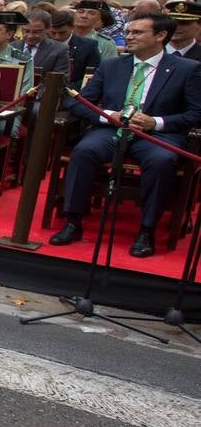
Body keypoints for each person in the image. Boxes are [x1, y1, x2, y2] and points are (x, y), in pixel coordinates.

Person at [49, 13, 201, 258]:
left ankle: (146, 230)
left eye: (137, 32)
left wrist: (157, 122)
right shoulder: (112, 66)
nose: (128, 37)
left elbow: (196, 113)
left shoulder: (187, 69)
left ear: (161, 36)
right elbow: (78, 102)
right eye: (129, 32)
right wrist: (108, 115)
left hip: (157, 135)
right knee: (85, 151)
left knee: (161, 161)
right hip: (111, 129)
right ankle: (73, 221)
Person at [46, 8, 103, 88]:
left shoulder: (88, 46)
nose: (57, 37)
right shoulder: (44, 44)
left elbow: (93, 76)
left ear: (72, 27)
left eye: (62, 33)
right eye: (53, 33)